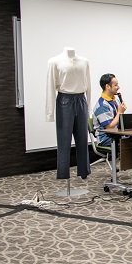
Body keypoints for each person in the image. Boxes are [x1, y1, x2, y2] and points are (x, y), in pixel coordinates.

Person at [92, 73, 132, 185]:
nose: (118, 87)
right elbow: (109, 127)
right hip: (106, 138)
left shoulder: (114, 100)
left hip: (118, 134)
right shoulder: (101, 105)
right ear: (107, 86)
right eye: (116, 85)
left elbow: (118, 121)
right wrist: (120, 112)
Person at [46, 47, 92, 180]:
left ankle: (84, 171)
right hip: (64, 99)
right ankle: (62, 174)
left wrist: (88, 108)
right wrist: (50, 113)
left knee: (82, 138)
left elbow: (88, 84)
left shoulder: (84, 61)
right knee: (64, 139)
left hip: (81, 99)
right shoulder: (54, 61)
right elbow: (50, 87)